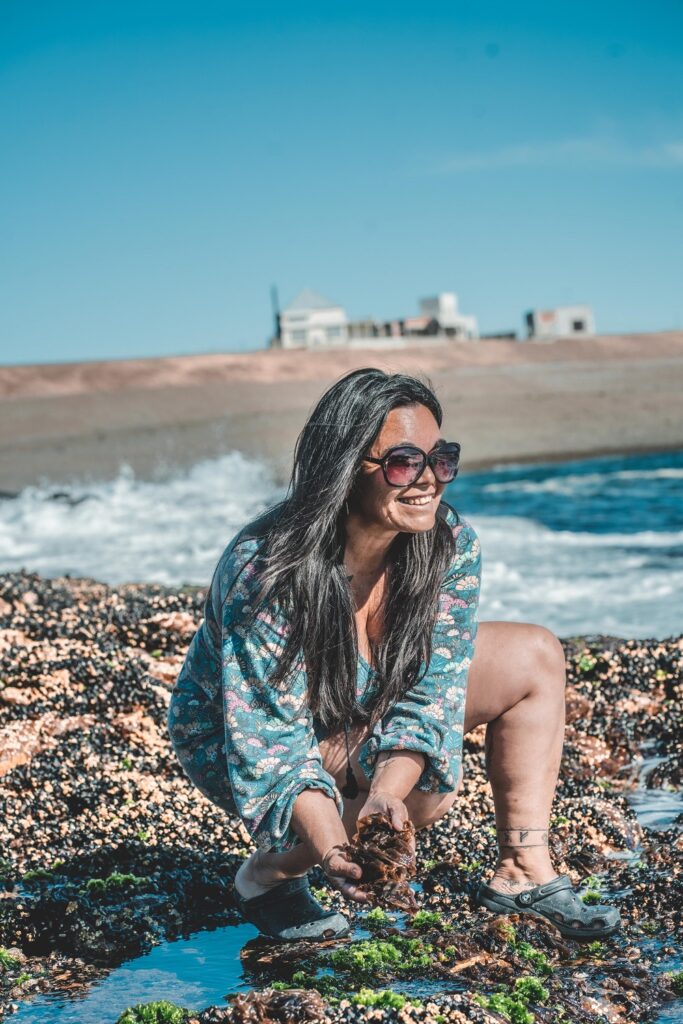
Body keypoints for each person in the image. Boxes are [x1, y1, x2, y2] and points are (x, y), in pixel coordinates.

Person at [167, 368, 620, 942]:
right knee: (391, 802)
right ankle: (268, 874)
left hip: (362, 705)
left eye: (442, 459)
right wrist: (331, 850)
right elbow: (271, 743)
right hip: (236, 735)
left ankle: (523, 869)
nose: (430, 480)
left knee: (530, 660)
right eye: (405, 462)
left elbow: (434, 694)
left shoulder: (447, 544)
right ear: (345, 469)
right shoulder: (267, 569)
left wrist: (386, 791)